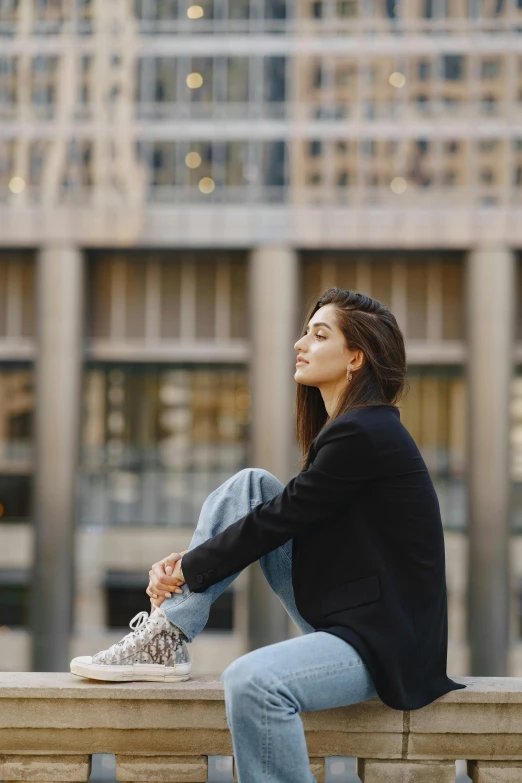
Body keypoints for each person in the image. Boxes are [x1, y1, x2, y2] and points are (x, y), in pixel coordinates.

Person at [70, 287, 466, 782]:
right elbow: (275, 514)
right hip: (349, 615)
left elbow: (278, 521)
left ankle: (166, 631)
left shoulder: (366, 432)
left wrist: (187, 567)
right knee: (251, 485)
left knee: (253, 680)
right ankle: (167, 635)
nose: (301, 344)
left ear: (356, 359)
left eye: (319, 335)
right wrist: (189, 564)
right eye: (305, 331)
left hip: (384, 642)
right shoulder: (350, 430)